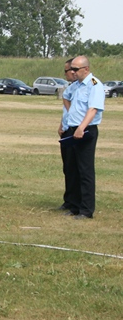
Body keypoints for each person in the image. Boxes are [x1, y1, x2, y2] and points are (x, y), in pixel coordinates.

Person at [60, 55, 105, 219]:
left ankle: (86, 210)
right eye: (71, 69)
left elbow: (93, 109)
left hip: (85, 131)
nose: (72, 72)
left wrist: (81, 127)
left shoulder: (94, 85)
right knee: (72, 169)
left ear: (86, 69)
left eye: (75, 69)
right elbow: (66, 96)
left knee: (85, 171)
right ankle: (74, 205)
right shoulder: (76, 86)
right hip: (73, 130)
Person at [57, 59, 79, 212]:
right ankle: (69, 200)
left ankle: (76, 201)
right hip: (66, 129)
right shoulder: (71, 88)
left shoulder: (81, 88)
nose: (65, 74)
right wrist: (61, 125)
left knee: (74, 167)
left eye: (66, 71)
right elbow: (66, 111)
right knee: (67, 167)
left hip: (75, 130)